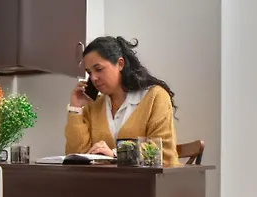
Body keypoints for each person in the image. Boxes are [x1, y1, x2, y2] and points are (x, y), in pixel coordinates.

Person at [64, 36, 180, 167]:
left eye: (99, 69)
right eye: (89, 72)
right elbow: (76, 156)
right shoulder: (93, 106)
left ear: (120, 64)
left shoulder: (155, 97)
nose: (94, 78)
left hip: (147, 179)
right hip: (103, 179)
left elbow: (163, 153)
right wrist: (75, 108)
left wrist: (116, 155)